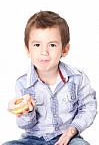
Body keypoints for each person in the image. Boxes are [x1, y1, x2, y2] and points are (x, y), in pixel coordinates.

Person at [3, 11, 97, 145]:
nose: (44, 52)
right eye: (37, 45)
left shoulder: (77, 78)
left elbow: (89, 107)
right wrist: (25, 112)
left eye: (52, 45)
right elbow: (25, 125)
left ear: (64, 49)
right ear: (27, 49)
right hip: (31, 140)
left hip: (67, 138)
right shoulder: (23, 83)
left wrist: (72, 130)